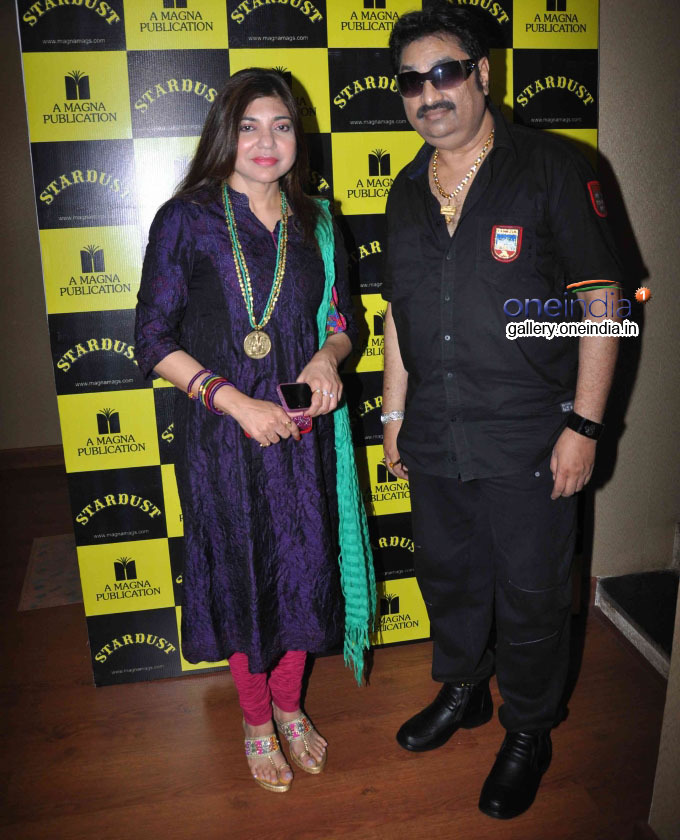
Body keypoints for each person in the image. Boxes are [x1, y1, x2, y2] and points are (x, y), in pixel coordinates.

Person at [381, 5, 622, 820]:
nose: (429, 94)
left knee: (531, 593)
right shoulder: (404, 190)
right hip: (435, 431)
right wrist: (393, 417)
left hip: (531, 436)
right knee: (449, 577)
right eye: (411, 81)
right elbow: (399, 313)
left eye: (445, 72)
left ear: (482, 75)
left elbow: (603, 304)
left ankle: (528, 728)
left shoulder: (555, 168)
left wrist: (584, 426)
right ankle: (463, 689)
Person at [135, 68, 374, 794]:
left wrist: (329, 358)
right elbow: (151, 338)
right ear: (224, 135)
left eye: (281, 126)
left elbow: (343, 321)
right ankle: (256, 720)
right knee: (241, 576)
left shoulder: (318, 222)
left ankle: (291, 708)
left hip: (302, 438)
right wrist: (236, 403)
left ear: (299, 138)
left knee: (303, 570)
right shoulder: (186, 219)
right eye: (249, 126)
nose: (266, 141)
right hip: (223, 440)